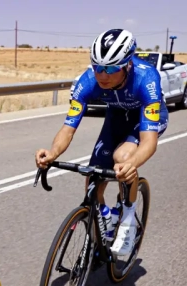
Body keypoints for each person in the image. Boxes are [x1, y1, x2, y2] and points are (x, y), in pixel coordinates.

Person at [35, 28, 168, 258]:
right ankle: (102, 227)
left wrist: (132, 164)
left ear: (127, 65)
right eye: (97, 67)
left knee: (122, 159)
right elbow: (68, 127)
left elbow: (149, 142)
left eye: (110, 69)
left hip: (144, 121)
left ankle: (127, 217)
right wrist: (53, 152)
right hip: (116, 117)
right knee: (93, 181)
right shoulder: (87, 81)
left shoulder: (147, 79)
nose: (102, 75)